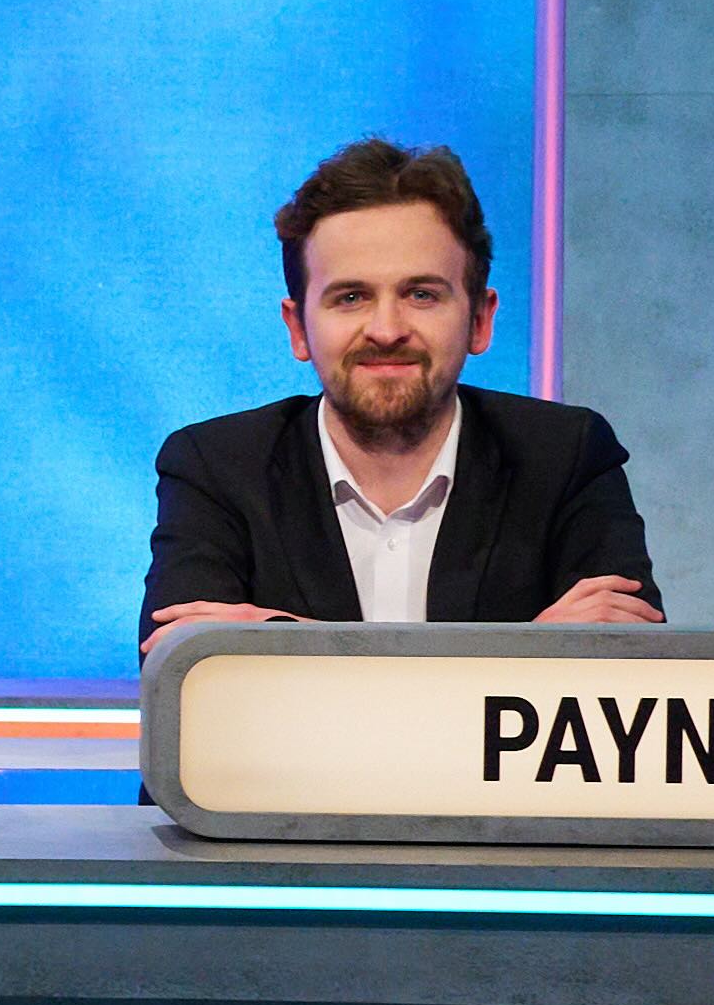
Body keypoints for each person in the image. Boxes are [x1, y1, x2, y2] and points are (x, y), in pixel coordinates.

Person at [137, 136, 661, 659]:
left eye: (421, 295)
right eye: (351, 297)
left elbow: (622, 679)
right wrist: (523, 652)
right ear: (298, 328)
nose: (386, 329)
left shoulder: (566, 454)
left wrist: (278, 643)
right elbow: (189, 677)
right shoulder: (215, 466)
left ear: (480, 319)